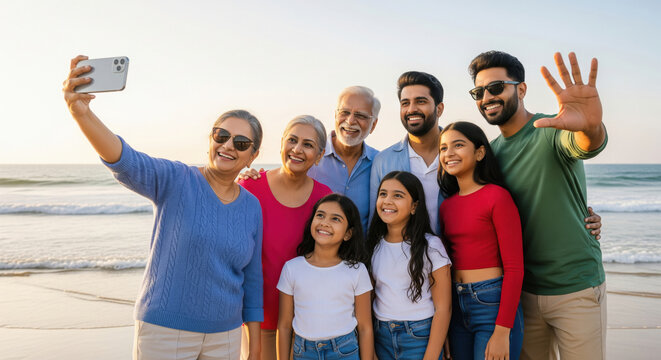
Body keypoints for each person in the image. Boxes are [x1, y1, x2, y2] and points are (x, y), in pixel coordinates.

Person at [63, 55, 263, 360]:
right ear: (210, 139)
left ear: (252, 155)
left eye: (240, 143)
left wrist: (256, 346)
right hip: (164, 331)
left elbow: (252, 279)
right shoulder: (176, 179)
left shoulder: (252, 206)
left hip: (226, 335)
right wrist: (81, 113)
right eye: (221, 136)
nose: (227, 146)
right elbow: (124, 160)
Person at [468, 50, 608, 360]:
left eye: (496, 87)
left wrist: (591, 126)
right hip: (523, 295)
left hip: (576, 289)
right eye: (479, 91)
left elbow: (586, 144)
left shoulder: (552, 128)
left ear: (520, 89)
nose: (487, 97)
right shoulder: (490, 155)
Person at [238, 115, 332, 360]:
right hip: (258, 317)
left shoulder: (325, 198)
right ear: (281, 143)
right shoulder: (250, 187)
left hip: (307, 320)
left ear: (320, 155)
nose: (297, 149)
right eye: (292, 140)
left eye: (308, 144)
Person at [438, 121, 524, 360]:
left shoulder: (497, 197)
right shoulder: (446, 206)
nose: (449, 153)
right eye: (443, 148)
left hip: (493, 305)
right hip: (458, 306)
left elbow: (515, 269)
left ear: (479, 152)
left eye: (458, 145)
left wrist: (502, 330)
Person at [240, 86, 380, 232]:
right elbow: (285, 177)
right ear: (335, 115)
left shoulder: (380, 163)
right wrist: (253, 179)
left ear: (373, 124)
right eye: (345, 112)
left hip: (359, 254)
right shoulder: (309, 155)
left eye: (361, 115)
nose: (350, 120)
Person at [276, 194, 374, 360]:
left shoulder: (357, 271)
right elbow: (284, 326)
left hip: (345, 351)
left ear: (348, 234)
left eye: (336, 219)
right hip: (304, 352)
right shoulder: (292, 268)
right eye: (320, 215)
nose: (325, 222)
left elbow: (365, 327)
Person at [367, 171, 452, 360]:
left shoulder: (431, 246)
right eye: (383, 194)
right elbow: (369, 301)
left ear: (414, 206)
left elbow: (443, 308)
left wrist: (431, 356)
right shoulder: (373, 245)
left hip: (419, 336)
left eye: (398, 195)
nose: (387, 201)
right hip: (382, 337)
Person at [370, 72, 445, 234]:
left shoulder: (460, 154)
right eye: (405, 103)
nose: (411, 109)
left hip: (456, 255)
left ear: (439, 109)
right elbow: (375, 223)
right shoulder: (383, 161)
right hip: (404, 256)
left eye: (421, 101)